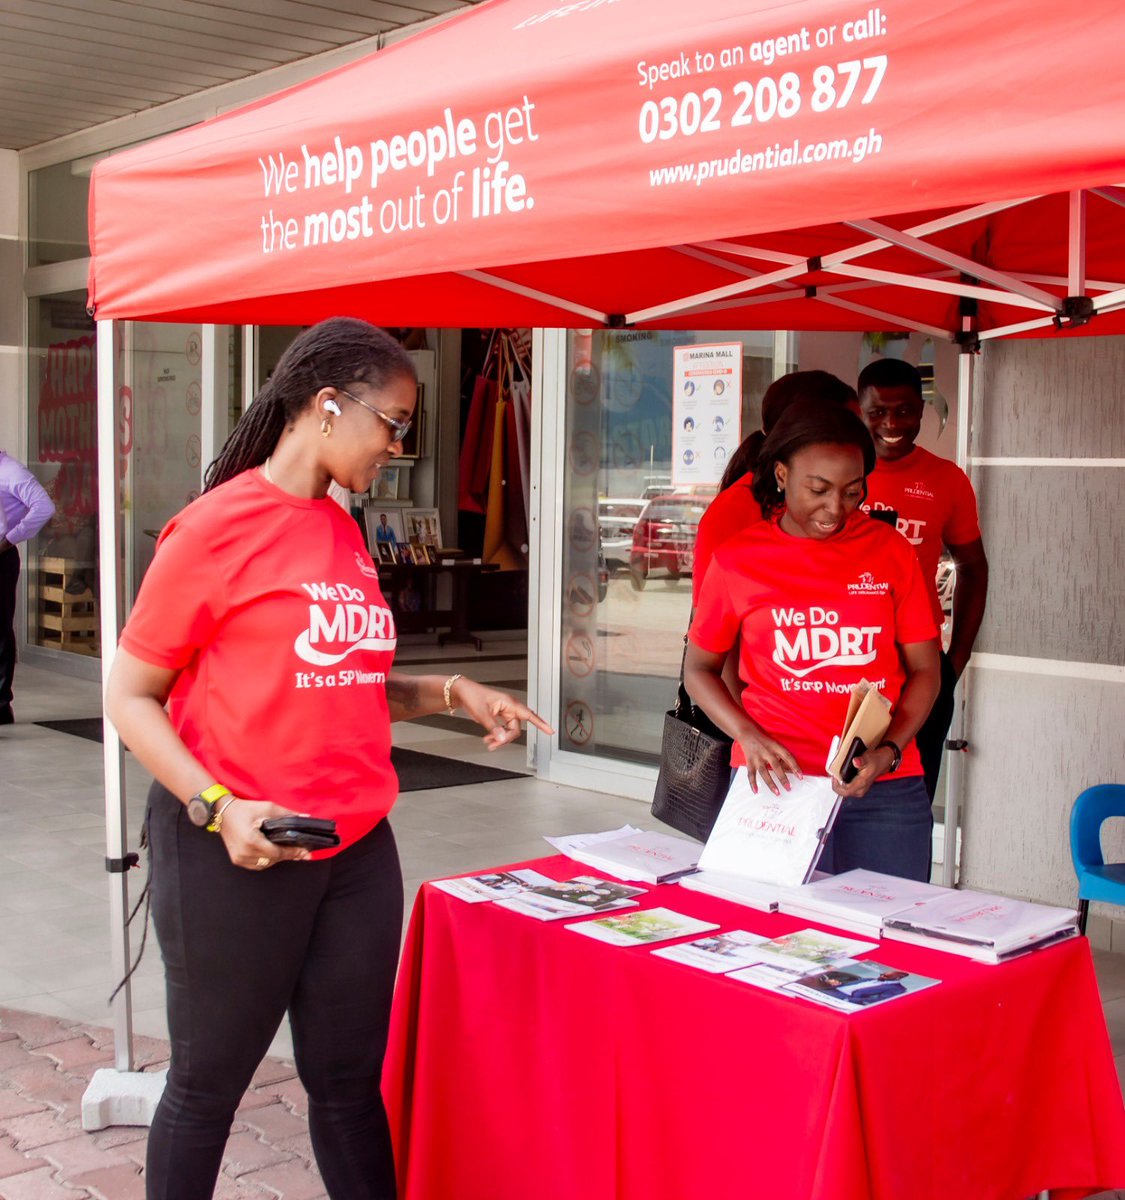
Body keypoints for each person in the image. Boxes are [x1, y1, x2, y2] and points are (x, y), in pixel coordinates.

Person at [104, 317, 552, 1200]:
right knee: (206, 1088)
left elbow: (345, 680)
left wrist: (454, 690)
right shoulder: (212, 529)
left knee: (349, 1085)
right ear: (327, 405)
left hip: (353, 849)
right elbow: (129, 696)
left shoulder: (341, 528)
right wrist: (217, 807)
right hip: (235, 848)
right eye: (394, 423)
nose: (398, 445)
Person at [685, 401, 941, 882]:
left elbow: (927, 669)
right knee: (777, 924)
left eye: (852, 491)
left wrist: (889, 752)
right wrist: (747, 734)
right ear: (782, 475)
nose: (835, 508)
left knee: (891, 925)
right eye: (819, 490)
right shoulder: (738, 558)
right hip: (776, 786)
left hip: (883, 787)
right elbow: (699, 668)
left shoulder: (890, 551)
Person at [857, 358, 989, 801]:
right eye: (878, 412)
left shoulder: (946, 479)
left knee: (913, 793)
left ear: (922, 409)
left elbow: (973, 566)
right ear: (859, 410)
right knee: (840, 790)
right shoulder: (837, 471)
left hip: (921, 665)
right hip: (846, 657)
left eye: (904, 411)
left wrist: (957, 657)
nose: (892, 423)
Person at [691, 371, 857, 606]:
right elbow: (710, 613)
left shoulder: (846, 502)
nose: (862, 442)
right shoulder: (734, 510)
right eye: (851, 430)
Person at [0, 448, 56, 725]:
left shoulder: (11, 472)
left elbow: (44, 507)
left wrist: (10, 539)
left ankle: (1, 705)